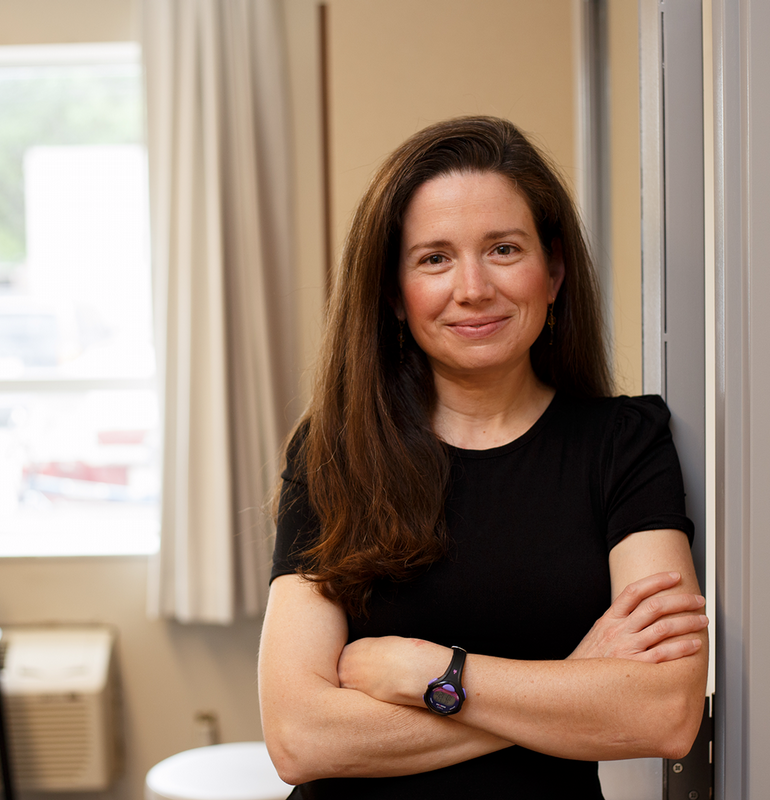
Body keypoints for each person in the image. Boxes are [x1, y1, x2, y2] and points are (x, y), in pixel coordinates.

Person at [258, 116, 708, 799]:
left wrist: (428, 672)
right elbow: (299, 737)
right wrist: (572, 681)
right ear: (393, 295)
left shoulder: (624, 442)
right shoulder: (336, 451)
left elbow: (664, 714)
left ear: (552, 271)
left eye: (503, 249)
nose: (472, 288)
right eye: (434, 258)